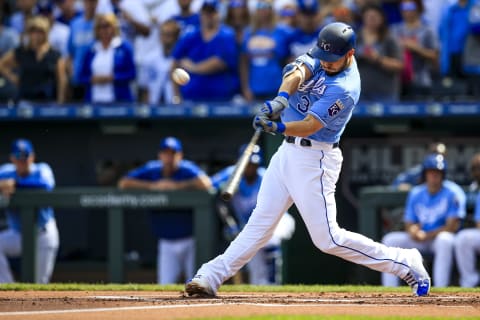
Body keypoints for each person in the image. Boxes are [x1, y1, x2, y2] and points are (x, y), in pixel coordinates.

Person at [185, 22, 431, 298]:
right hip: (287, 154)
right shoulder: (324, 55)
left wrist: (277, 127)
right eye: (323, 56)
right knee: (259, 224)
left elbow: (310, 124)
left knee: (328, 239)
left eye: (332, 59)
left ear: (349, 54)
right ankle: (210, 276)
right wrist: (280, 100)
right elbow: (297, 71)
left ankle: (405, 261)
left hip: (316, 157)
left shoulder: (346, 87)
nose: (325, 63)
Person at [118, 136, 212, 284]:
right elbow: (123, 183)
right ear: (160, 155)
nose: (169, 157)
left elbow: (206, 183)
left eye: (173, 153)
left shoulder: (186, 168)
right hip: (166, 241)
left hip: (190, 240)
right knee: (165, 284)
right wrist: (152, 186)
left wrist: (176, 186)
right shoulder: (152, 169)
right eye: (165, 153)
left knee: (196, 283)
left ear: (179, 155)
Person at [211, 144, 295, 285]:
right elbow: (210, 188)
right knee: (256, 271)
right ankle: (263, 294)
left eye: (253, 164)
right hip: (251, 228)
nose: (251, 167)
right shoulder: (232, 174)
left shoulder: (266, 176)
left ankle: (274, 281)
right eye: (248, 163)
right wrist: (230, 223)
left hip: (279, 220)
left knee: (271, 238)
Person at [382, 154, 464, 288]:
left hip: (437, 239)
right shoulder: (416, 192)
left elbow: (452, 226)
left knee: (445, 239)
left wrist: (427, 235)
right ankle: (389, 287)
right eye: (431, 172)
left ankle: (440, 287)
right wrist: (413, 231)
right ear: (425, 174)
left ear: (443, 174)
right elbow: (409, 222)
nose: (434, 176)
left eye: (437, 172)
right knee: (391, 240)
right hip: (420, 238)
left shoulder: (453, 192)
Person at [0, 139, 59, 284]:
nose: (22, 161)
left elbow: (46, 186)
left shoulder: (42, 169)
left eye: (25, 156)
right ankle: (8, 287)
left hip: (43, 234)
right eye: (18, 157)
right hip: (18, 234)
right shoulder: (6, 171)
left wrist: (16, 184)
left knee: (40, 284)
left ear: (32, 156)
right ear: (12, 158)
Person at [171, 0, 239, 103]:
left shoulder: (226, 35)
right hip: (191, 97)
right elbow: (175, 64)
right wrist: (176, 95)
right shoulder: (190, 36)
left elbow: (219, 63)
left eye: (212, 12)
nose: (208, 16)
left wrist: (192, 67)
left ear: (218, 14)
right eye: (205, 12)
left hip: (222, 100)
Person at [0, 16, 67, 104]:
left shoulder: (54, 54)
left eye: (40, 31)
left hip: (48, 100)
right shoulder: (22, 51)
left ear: (46, 33)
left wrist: (60, 101)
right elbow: (2, 64)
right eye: (33, 31)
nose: (36, 35)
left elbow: (61, 80)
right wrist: (13, 78)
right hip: (25, 99)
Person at [78, 13, 136, 103]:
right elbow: (81, 76)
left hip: (119, 101)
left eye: (107, 26)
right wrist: (92, 79)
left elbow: (132, 73)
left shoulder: (124, 48)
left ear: (114, 27)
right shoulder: (91, 49)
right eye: (100, 27)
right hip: (94, 100)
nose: (104, 30)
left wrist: (113, 78)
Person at [356, 4, 403, 102]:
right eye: (368, 16)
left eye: (374, 17)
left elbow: (399, 65)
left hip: (385, 93)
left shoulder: (390, 38)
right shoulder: (354, 38)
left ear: (382, 19)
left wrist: (378, 59)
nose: (371, 19)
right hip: (359, 92)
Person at [454, 153, 480, 287]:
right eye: (476, 168)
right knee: (464, 238)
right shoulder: (474, 189)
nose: (478, 172)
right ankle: (469, 283)